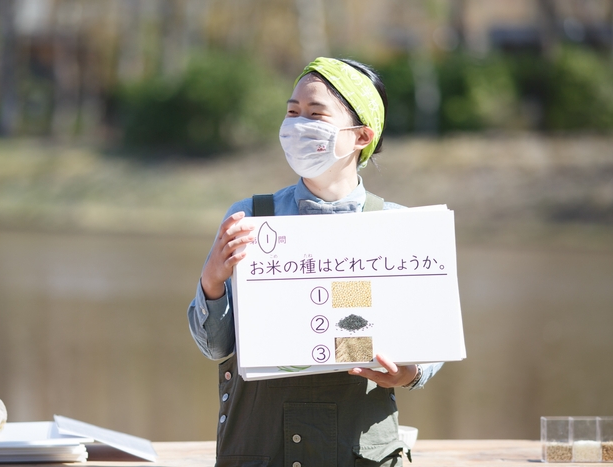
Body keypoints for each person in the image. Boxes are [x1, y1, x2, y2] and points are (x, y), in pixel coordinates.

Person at [187, 57, 443, 467]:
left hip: (360, 453)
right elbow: (216, 347)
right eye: (292, 112)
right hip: (259, 452)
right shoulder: (250, 219)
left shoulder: (395, 226)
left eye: (315, 114)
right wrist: (212, 283)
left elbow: (429, 337)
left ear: (362, 135)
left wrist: (410, 373)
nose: (297, 125)